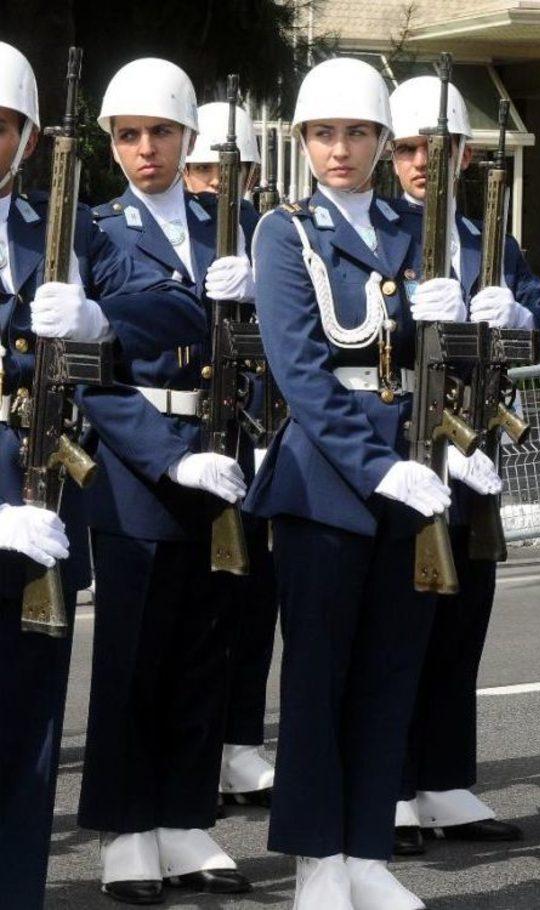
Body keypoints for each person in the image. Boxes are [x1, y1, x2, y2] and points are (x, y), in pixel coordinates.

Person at [245, 56, 497, 910]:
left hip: (418, 474)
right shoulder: (286, 232)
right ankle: (318, 860)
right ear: (304, 142)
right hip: (329, 483)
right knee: (319, 676)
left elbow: (439, 357)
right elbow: (303, 375)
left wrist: (455, 421)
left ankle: (366, 851)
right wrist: (381, 465)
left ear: (383, 139)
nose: (341, 150)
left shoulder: (412, 227)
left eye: (357, 133)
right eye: (324, 134)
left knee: (394, 669)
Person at [0, 41, 205, 910]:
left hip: (43, 509)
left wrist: (97, 313)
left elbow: (179, 305)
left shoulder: (63, 228)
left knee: (27, 747)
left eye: (0, 125)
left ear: (30, 138)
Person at [75, 59, 256, 904]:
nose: (144, 150)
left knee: (204, 646)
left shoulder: (237, 222)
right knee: (134, 653)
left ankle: (185, 821)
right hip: (140, 463)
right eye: (127, 135)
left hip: (223, 446)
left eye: (159, 133)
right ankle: (125, 829)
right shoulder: (93, 231)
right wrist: (162, 451)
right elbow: (86, 374)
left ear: (190, 137)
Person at [388, 75, 540, 855]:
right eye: (406, 149)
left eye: (438, 148)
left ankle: (444, 780)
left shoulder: (488, 238)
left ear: (464, 154)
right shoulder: (369, 233)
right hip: (398, 458)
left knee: (462, 623)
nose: (423, 163)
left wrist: (528, 318)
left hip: (474, 460)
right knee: (397, 631)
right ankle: (390, 786)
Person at [185, 101, 278, 808]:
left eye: (227, 171)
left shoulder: (272, 236)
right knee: (186, 613)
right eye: (201, 170)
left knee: (251, 601)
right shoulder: (144, 230)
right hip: (183, 441)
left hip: (254, 436)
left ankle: (240, 742)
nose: (212, 184)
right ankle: (188, 757)